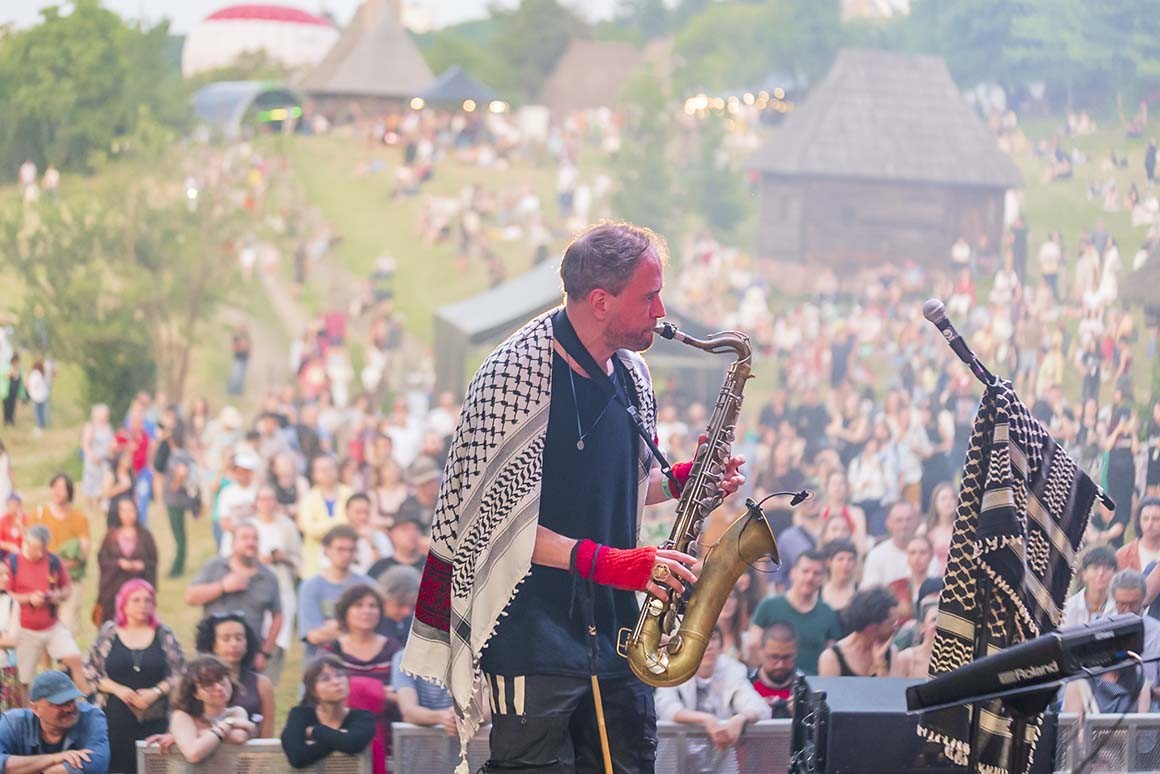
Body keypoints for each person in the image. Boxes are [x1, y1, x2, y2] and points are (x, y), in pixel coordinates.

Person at [403, 222, 747, 774]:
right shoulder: (511, 375)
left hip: (616, 632)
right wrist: (613, 564)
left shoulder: (633, 372)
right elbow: (491, 526)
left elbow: (628, 488)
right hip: (531, 634)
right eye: (649, 296)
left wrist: (685, 480)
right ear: (601, 301)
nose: (662, 311)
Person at [83, 580, 184, 774]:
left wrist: (156, 692)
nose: (143, 605)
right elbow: (90, 670)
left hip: (156, 718)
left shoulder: (164, 634)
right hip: (114, 717)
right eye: (136, 600)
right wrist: (118, 689)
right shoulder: (109, 632)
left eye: (148, 600)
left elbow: (179, 673)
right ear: (124, 604)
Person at [654, 627, 767, 774]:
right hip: (675, 764)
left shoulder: (733, 670)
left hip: (720, 765)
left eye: (713, 638)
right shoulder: (672, 668)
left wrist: (741, 718)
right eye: (702, 638)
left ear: (721, 644)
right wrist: (706, 720)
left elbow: (759, 707)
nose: (708, 645)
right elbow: (666, 707)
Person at [324, 584, 402, 774]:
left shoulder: (395, 650)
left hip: (390, 740)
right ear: (345, 611)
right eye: (358, 605)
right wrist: (380, 692)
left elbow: (404, 695)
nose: (367, 611)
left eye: (372, 605)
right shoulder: (331, 651)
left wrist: (353, 690)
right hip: (342, 736)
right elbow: (322, 694)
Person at [185, 521, 282, 673]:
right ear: (233, 543)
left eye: (255, 538)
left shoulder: (268, 577)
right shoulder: (214, 567)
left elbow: (278, 617)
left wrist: (265, 653)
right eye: (245, 538)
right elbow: (190, 597)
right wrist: (222, 587)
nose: (251, 542)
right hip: (212, 656)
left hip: (249, 658)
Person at [8, 526, 87, 693]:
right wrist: (29, 599)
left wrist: (55, 595)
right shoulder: (13, 562)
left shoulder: (53, 561)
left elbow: (67, 589)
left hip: (52, 626)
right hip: (25, 629)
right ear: (26, 543)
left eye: (43, 549)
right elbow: (7, 595)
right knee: (23, 679)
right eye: (36, 548)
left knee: (75, 659)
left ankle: (88, 698)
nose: (40, 553)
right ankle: (26, 707)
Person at [747, 551, 840, 675]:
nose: (810, 578)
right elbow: (753, 645)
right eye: (805, 571)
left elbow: (830, 655)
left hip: (812, 682)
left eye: (816, 573)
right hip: (773, 682)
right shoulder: (768, 606)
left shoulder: (827, 613)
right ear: (793, 573)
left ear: (823, 578)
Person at [0, 670, 110, 773]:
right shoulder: (13, 722)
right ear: (36, 709)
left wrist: (28, 769)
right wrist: (53, 758)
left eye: (71, 701)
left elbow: (98, 763)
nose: (69, 708)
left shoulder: (91, 716)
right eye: (60, 704)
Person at [281, 655, 376, 769]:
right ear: (312, 690)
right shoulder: (300, 715)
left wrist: (314, 731)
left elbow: (352, 744)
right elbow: (297, 757)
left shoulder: (363, 717)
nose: (336, 682)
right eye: (325, 679)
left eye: (340, 675)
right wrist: (339, 737)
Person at [193, 613, 274, 737]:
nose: (234, 644)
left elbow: (267, 736)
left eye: (239, 638)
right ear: (213, 644)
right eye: (226, 639)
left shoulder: (262, 684)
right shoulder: (197, 681)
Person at [299, 525, 373, 659]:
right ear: (326, 550)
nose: (346, 555)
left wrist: (333, 627)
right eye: (340, 549)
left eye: (351, 550)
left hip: (360, 661)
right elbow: (313, 636)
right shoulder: (310, 587)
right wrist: (354, 628)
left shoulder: (368, 585)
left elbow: (374, 632)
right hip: (320, 662)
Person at [165, 656, 257, 764]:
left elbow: (239, 737)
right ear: (195, 694)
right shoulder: (182, 715)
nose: (219, 688)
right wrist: (226, 726)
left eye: (221, 680)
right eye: (208, 685)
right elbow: (193, 754)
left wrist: (197, 733)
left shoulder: (236, 712)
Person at [252, 485, 301, 685]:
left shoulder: (287, 526)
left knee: (279, 637)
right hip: (254, 587)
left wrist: (282, 558)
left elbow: (298, 560)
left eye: (271, 499)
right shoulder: (249, 526)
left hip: (282, 586)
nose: (267, 504)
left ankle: (270, 682)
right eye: (263, 499)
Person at [29, 474, 89, 634]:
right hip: (42, 579)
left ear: (69, 492)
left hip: (69, 579)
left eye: (62, 488)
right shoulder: (39, 514)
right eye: (54, 487)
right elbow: (29, 547)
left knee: (67, 628)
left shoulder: (79, 518)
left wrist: (59, 564)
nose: (57, 492)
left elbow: (83, 553)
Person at [95, 498, 158, 624]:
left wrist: (142, 565)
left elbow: (153, 561)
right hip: (113, 591)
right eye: (124, 511)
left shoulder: (145, 536)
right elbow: (102, 560)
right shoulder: (111, 536)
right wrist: (118, 563)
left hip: (138, 588)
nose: (128, 515)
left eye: (131, 510)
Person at [818, 587, 899, 677]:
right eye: (891, 623)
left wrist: (880, 663)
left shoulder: (891, 652)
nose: (896, 628)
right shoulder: (831, 658)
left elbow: (891, 686)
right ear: (872, 628)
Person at [299, 456, 353, 578]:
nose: (327, 473)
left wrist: (324, 526)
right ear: (314, 474)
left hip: (346, 559)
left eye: (330, 468)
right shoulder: (308, 498)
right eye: (323, 470)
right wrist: (340, 523)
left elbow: (353, 522)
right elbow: (310, 529)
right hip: (315, 560)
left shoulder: (348, 493)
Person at [860, 502, 928, 588]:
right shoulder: (876, 555)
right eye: (899, 520)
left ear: (917, 522)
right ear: (889, 523)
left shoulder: (927, 552)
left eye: (909, 519)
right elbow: (870, 590)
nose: (904, 525)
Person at [749, 622, 802, 719]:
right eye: (774, 657)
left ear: (796, 653)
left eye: (787, 657)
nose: (780, 664)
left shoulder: (808, 687)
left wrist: (803, 713)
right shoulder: (744, 683)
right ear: (761, 652)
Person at [1062, 545, 1118, 626]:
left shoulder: (1119, 606)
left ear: (1115, 574)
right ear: (1084, 574)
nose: (1101, 573)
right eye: (1095, 568)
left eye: (1107, 568)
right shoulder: (1069, 607)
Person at [367, 503, 427, 579]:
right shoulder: (379, 568)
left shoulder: (432, 567)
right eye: (405, 529)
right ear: (392, 535)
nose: (412, 534)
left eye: (416, 529)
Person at [891, 598, 938, 679]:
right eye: (934, 619)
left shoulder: (957, 661)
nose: (939, 624)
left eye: (944, 621)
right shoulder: (905, 658)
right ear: (922, 627)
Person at [81, 405, 115, 515]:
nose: (106, 417)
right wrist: (92, 455)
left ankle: (102, 504)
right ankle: (88, 507)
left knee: (103, 483)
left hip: (105, 460)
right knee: (90, 483)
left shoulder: (108, 427)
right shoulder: (91, 427)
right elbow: (85, 443)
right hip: (93, 460)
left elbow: (111, 442)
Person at [345, 493, 391, 575]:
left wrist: (371, 542)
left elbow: (386, 568)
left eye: (366, 512)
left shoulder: (380, 537)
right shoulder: (338, 536)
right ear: (347, 512)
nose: (363, 517)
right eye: (358, 512)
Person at [0, 561, 23, 710]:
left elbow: (14, 641)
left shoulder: (11, 603)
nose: (6, 578)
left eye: (6, 574)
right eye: (1, 574)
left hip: (5, 669)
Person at [377, 564, 419, 644]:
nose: (407, 612)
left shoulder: (415, 624)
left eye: (413, 606)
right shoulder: (371, 627)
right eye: (400, 605)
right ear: (383, 600)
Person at [1117, 497, 1160, 573]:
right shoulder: (1123, 555)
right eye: (1145, 518)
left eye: (1155, 519)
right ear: (1139, 521)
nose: (1149, 524)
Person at [820, 539, 857, 616]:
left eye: (850, 559)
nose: (845, 564)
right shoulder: (817, 593)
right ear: (829, 562)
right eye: (840, 559)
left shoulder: (860, 591)